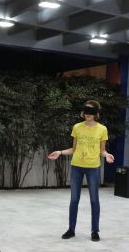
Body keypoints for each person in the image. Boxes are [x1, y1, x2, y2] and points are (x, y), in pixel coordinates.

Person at [47, 100, 114, 242]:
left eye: (91, 111)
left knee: (94, 200)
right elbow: (74, 149)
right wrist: (60, 152)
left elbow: (102, 150)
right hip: (76, 166)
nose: (88, 114)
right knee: (74, 199)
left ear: (96, 113)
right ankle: (71, 229)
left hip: (93, 168)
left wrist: (107, 155)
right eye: (86, 111)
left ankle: (95, 231)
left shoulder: (102, 129)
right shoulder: (77, 127)